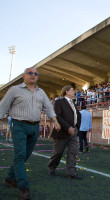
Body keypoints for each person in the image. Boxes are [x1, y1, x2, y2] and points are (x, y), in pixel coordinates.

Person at [0, 67, 60, 200]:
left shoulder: (41, 92)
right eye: (30, 73)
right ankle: (24, 187)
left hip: (35, 127)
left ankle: (10, 178)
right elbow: (3, 106)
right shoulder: (14, 90)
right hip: (19, 125)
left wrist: (55, 120)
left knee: (25, 155)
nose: (33, 75)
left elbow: (48, 107)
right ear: (23, 76)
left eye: (36, 74)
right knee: (20, 154)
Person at [48, 86, 82, 180]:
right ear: (66, 91)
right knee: (58, 152)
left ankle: (71, 173)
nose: (74, 92)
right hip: (62, 132)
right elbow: (58, 116)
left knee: (73, 152)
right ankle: (52, 167)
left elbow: (77, 116)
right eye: (72, 90)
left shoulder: (73, 104)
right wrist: (68, 128)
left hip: (73, 132)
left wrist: (76, 128)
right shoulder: (59, 102)